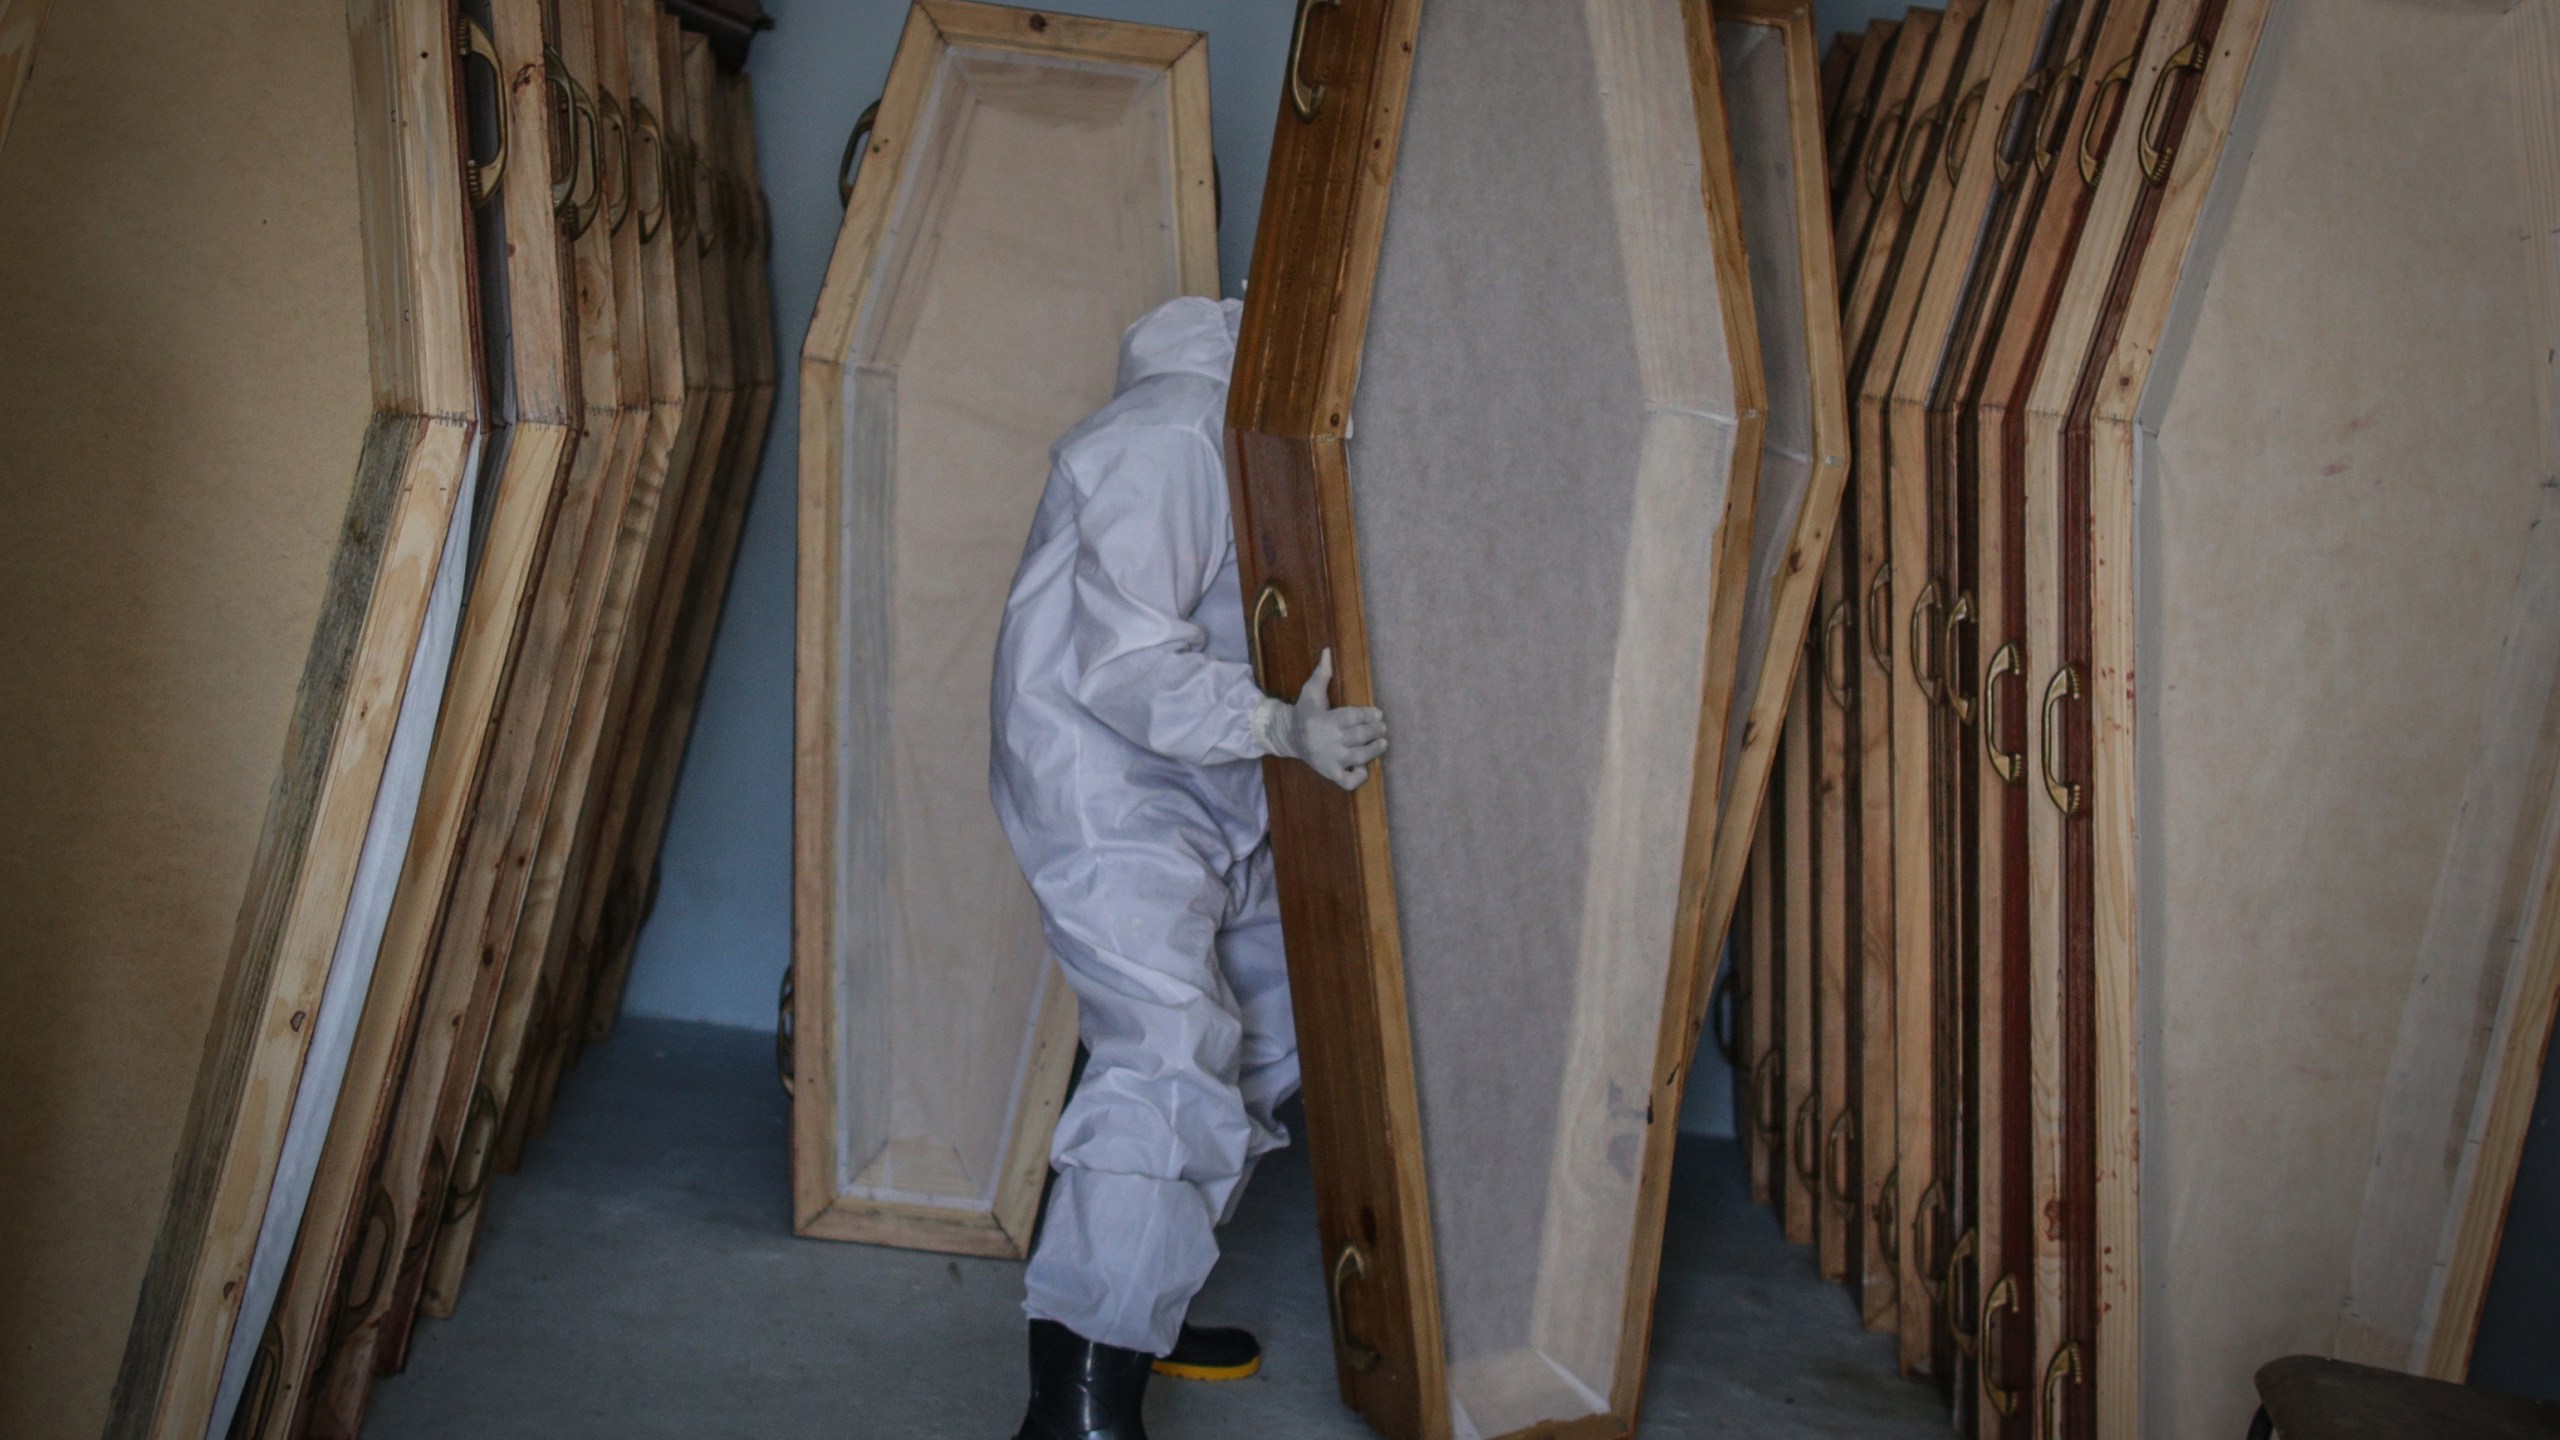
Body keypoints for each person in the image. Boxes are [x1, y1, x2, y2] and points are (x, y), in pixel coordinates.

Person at [989, 295, 1387, 1440]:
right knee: (1167, 1050)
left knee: (1266, 1029)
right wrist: (1272, 731)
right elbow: (1121, 665)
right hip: (1100, 782)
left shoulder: (1280, 432)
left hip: (1214, 775)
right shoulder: (1165, 437)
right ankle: (1073, 1403)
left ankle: (1135, 1307)